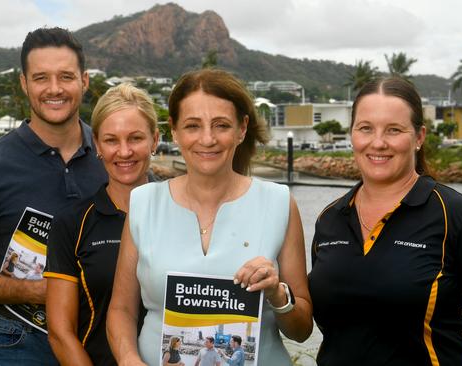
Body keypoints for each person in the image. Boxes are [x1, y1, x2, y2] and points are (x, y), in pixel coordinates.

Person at [308, 77, 462, 365]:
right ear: (352, 135)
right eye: (365, 128)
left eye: (394, 130)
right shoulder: (330, 218)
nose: (378, 142)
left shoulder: (461, 217)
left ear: (419, 137)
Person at [106, 69, 313, 365]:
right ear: (174, 130)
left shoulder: (279, 203)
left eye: (221, 125)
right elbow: (121, 310)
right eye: (193, 126)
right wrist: (128, 360)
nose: (207, 139)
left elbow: (302, 330)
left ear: (242, 129)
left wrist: (278, 295)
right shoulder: (143, 203)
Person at [0, 27, 107, 366]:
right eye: (41, 77)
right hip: (24, 341)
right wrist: (37, 291)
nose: (54, 89)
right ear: (24, 84)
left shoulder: (118, 156)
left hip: (106, 336)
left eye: (66, 77)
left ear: (84, 81)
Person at [44, 83, 159, 365]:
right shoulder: (72, 222)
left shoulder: (187, 212)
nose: (124, 152)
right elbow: (61, 332)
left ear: (155, 140)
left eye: (135, 138)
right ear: (96, 144)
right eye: (111, 140)